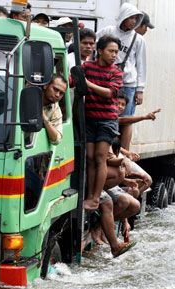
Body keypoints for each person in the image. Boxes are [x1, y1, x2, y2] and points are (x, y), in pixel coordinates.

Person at [71, 35, 123, 210]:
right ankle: (89, 196)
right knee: (90, 158)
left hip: (107, 120)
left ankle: (95, 198)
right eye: (111, 51)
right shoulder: (87, 67)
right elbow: (73, 81)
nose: (114, 55)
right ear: (100, 51)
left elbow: (110, 93)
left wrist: (87, 84)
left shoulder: (116, 72)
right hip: (89, 118)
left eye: (116, 52)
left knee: (101, 158)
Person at [96, 3, 146, 151]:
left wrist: (140, 89)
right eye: (131, 17)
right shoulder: (109, 31)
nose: (133, 21)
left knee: (126, 120)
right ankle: (108, 150)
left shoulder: (138, 39)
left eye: (136, 18)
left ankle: (124, 154)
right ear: (123, 16)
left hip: (128, 83)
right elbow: (94, 44)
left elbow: (141, 64)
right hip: (107, 81)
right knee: (107, 116)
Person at [43, 74, 67, 144]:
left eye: (61, 93)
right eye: (55, 89)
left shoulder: (55, 108)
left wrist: (44, 118)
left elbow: (56, 140)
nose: (57, 95)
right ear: (45, 85)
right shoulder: (30, 95)